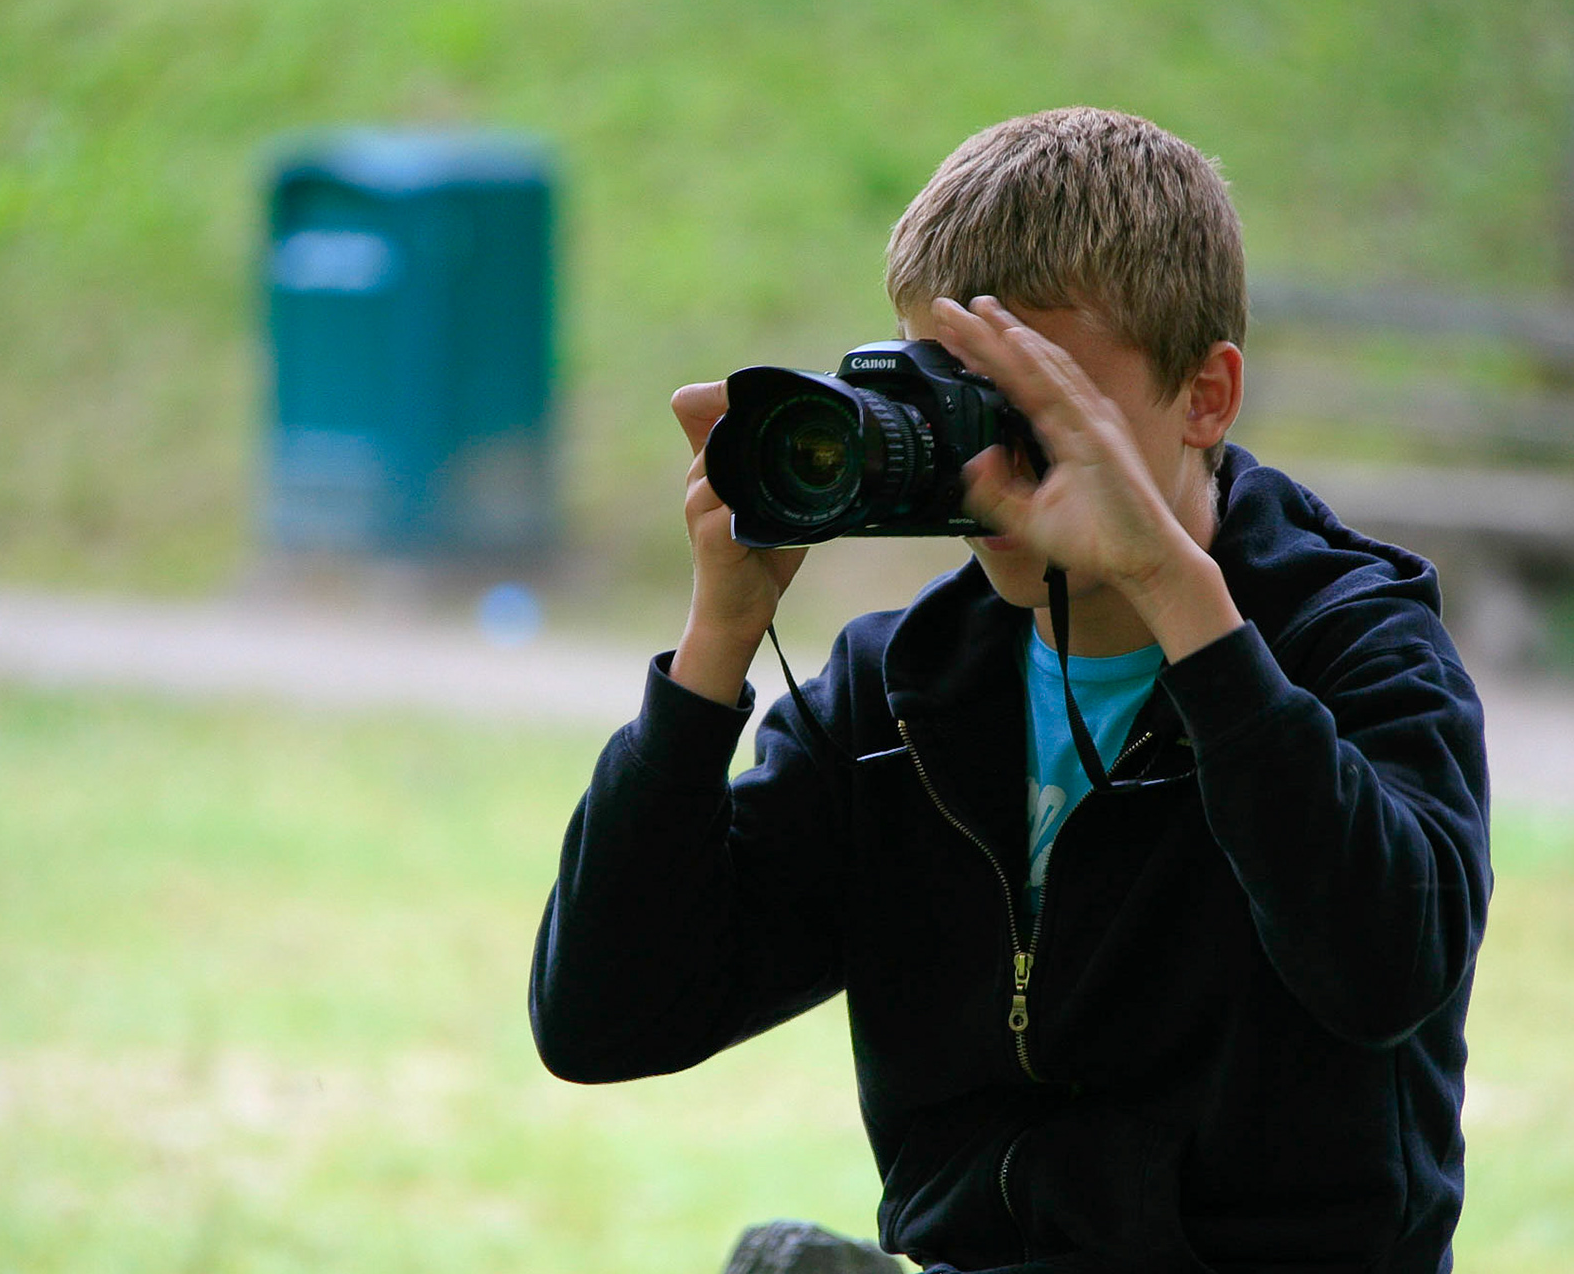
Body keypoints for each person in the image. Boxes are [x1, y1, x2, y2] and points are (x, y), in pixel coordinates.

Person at [527, 107, 1492, 1273]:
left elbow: (1386, 969)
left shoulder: (1349, 649)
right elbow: (604, 1020)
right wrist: (716, 643)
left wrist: (1170, 588)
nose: (987, 457)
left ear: (1205, 395)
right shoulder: (905, 696)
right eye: (952, 397)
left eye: (1039, 404)